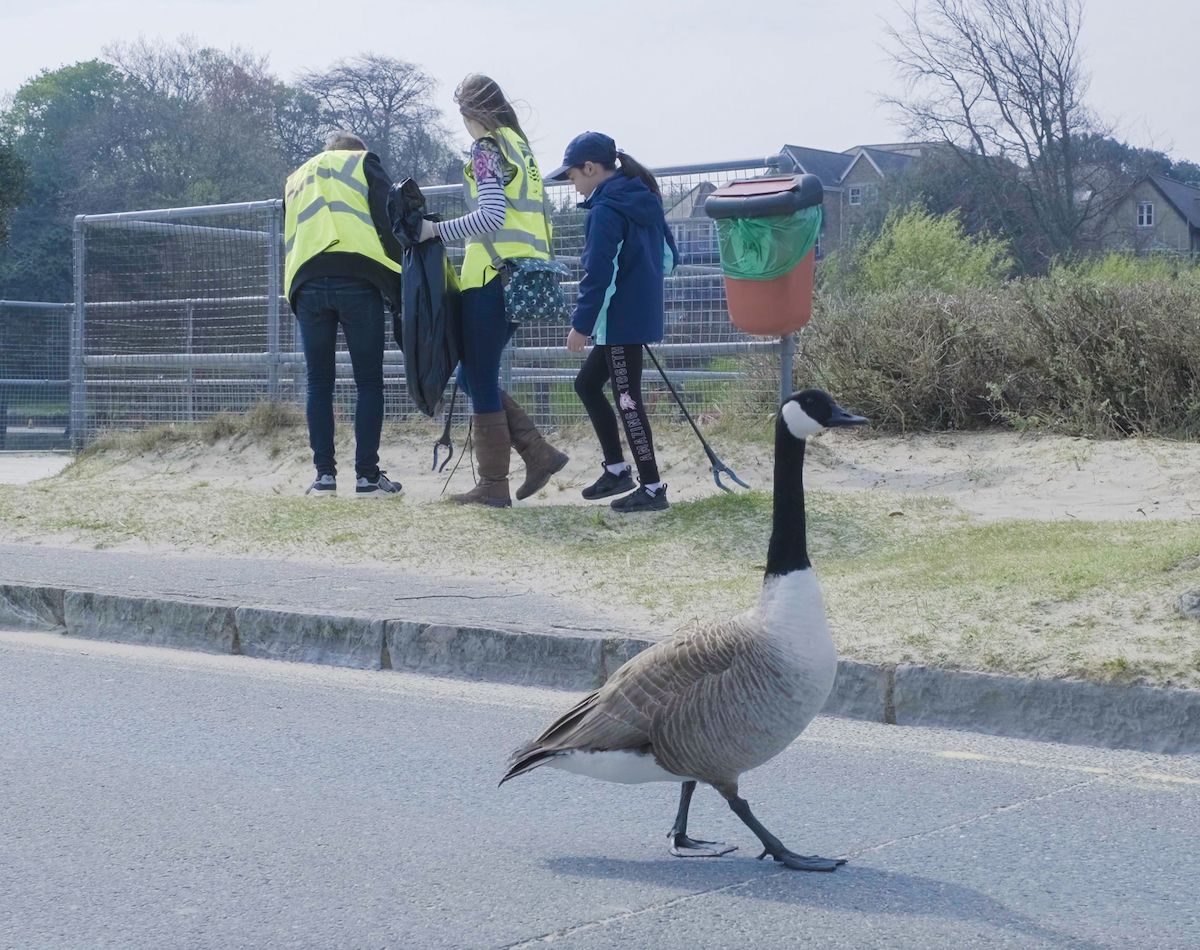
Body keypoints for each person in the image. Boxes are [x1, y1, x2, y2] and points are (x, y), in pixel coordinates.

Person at [417, 74, 568, 508]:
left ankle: (493, 485)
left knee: (477, 376)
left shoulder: (486, 149)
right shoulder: (521, 148)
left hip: (492, 276)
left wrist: (435, 231)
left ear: (470, 114)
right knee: (471, 374)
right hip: (524, 276)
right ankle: (538, 454)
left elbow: (490, 215)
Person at [550, 132, 679, 512]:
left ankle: (653, 488)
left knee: (628, 401)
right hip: (631, 317)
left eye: (573, 176)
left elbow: (598, 273)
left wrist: (582, 325)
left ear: (590, 168)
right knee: (588, 385)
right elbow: (671, 260)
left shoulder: (606, 210)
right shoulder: (644, 200)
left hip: (618, 322)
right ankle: (617, 469)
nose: (573, 184)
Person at [283, 130, 404, 498]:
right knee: (368, 382)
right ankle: (367, 477)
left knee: (319, 382)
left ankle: (324, 478)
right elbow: (390, 218)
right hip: (357, 277)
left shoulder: (296, 178)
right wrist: (400, 279)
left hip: (306, 281)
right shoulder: (363, 162)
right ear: (356, 152)